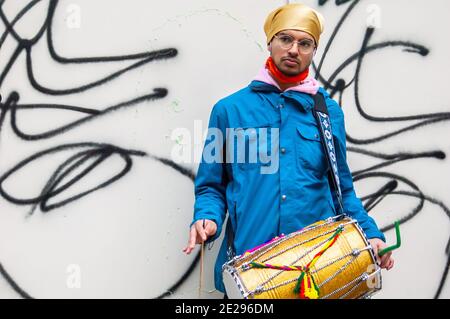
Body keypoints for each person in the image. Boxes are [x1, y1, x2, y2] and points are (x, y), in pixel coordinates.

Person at [183, 3, 394, 297]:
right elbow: (211, 186)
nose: (294, 49)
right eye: (285, 39)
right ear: (270, 42)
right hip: (252, 268)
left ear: (313, 50)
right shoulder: (229, 111)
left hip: (319, 269)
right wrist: (207, 217)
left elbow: (342, 190)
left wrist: (371, 234)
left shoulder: (327, 111)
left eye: (304, 43)